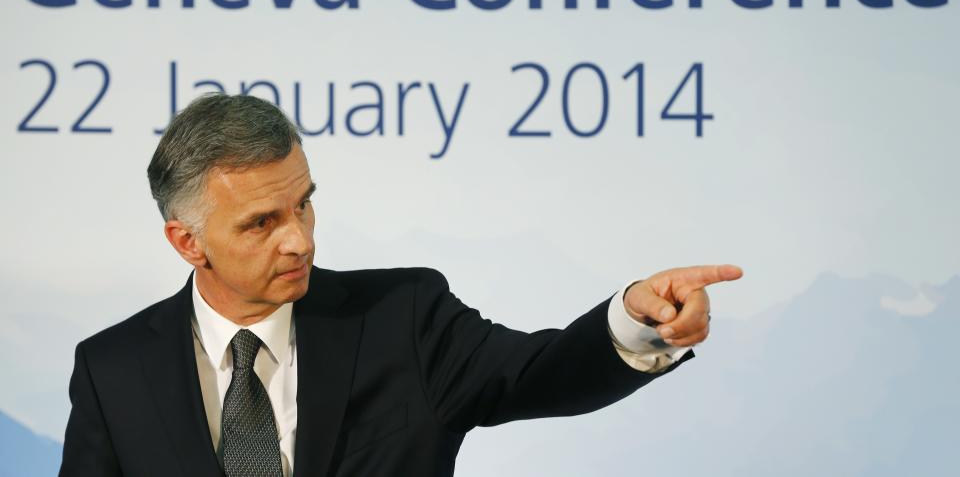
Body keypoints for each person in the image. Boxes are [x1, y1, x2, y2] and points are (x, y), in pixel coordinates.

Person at [59, 94, 742, 477]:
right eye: (262, 222)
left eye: (304, 204)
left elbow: (541, 374)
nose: (299, 237)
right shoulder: (112, 369)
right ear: (188, 242)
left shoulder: (404, 318)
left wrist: (634, 319)